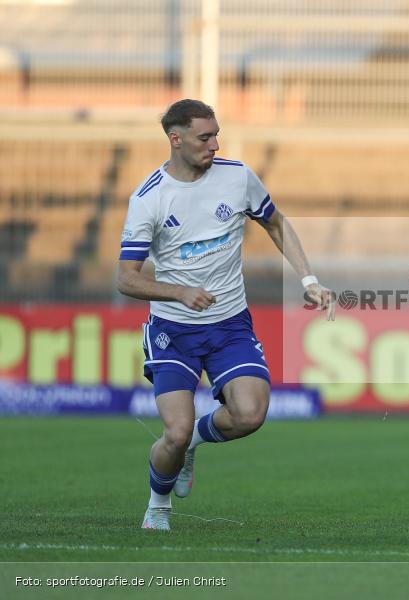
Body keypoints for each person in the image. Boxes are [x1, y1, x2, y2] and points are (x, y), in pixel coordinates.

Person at [117, 99, 335, 531]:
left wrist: (309, 280)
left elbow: (275, 223)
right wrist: (179, 291)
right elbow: (127, 278)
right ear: (175, 140)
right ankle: (158, 504)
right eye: (205, 137)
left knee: (250, 414)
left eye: (217, 134)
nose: (215, 144)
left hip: (230, 324)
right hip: (173, 330)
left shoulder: (237, 178)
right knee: (172, 435)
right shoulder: (149, 199)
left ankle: (195, 441)